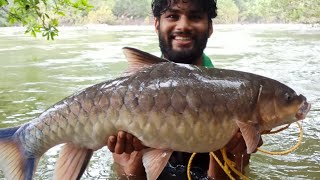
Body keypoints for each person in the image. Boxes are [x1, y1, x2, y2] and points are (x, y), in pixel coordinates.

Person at [107, 0, 262, 179]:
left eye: (195, 17)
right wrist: (135, 155)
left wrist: (224, 149)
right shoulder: (128, 96)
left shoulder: (238, 97)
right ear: (157, 24)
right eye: (173, 16)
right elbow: (128, 176)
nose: (183, 26)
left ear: (210, 27)